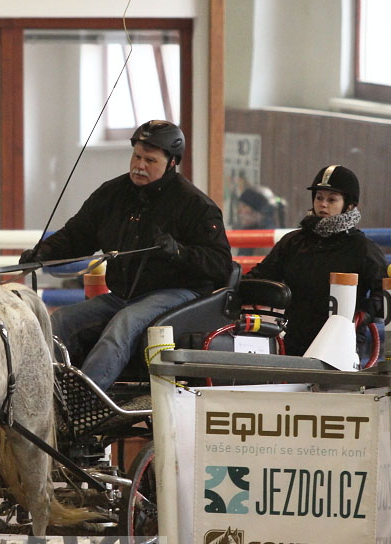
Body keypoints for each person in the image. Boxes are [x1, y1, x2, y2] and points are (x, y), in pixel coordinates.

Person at [20, 120, 233, 391]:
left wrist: (179, 252)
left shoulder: (195, 205)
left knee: (123, 325)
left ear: (171, 163)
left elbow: (220, 264)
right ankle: (44, 395)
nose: (139, 165)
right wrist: (43, 252)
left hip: (178, 295)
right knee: (60, 321)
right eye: (136, 156)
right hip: (124, 296)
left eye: (150, 160)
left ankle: (86, 401)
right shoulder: (112, 193)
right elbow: (78, 235)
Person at [244, 164, 387, 356]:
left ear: (350, 205)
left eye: (332, 199)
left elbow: (385, 293)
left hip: (343, 346)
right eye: (319, 197)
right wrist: (232, 281)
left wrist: (364, 315)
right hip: (295, 343)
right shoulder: (292, 243)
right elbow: (261, 277)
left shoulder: (363, 249)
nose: (323, 204)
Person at [235, 185, 283, 256]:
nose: (239, 211)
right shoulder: (250, 232)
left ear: (259, 211)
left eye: (244, 206)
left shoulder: (266, 241)